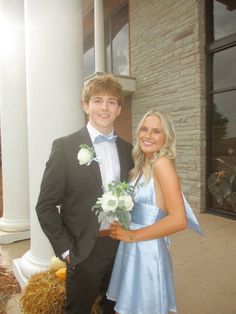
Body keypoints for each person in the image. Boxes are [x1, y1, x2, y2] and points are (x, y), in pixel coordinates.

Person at [36, 74, 133, 314]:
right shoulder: (65, 147)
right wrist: (68, 251)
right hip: (84, 250)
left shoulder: (128, 150)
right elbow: (45, 206)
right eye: (98, 100)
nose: (104, 107)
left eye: (111, 102)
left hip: (121, 245)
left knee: (115, 308)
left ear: (119, 109)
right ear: (86, 105)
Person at [107, 110, 203, 314]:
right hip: (133, 247)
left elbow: (179, 220)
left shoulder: (162, 164)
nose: (147, 136)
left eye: (156, 131)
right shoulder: (143, 164)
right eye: (144, 129)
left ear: (166, 138)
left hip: (147, 250)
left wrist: (132, 235)